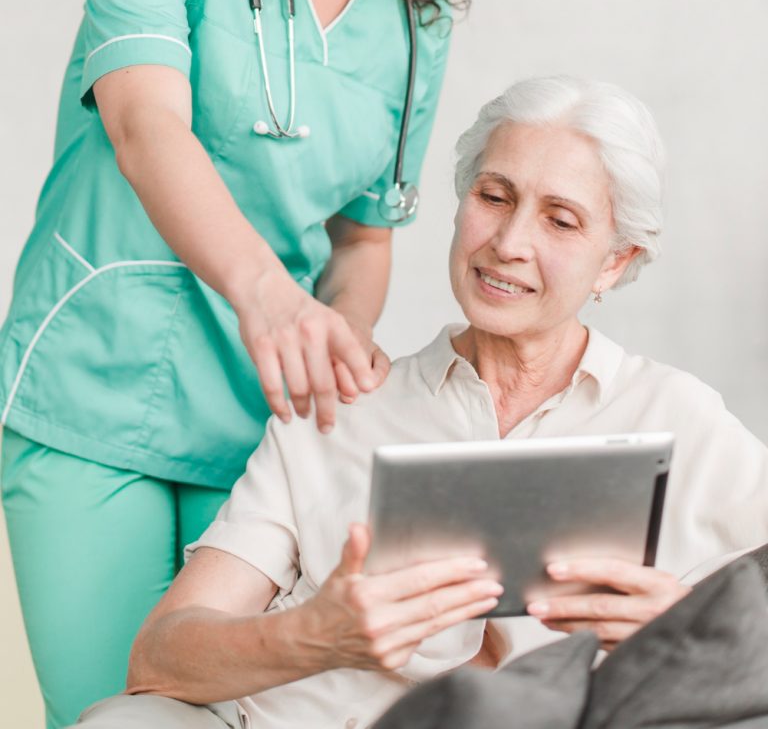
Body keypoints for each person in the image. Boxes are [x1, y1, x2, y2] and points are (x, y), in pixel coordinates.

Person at [0, 0, 523, 728]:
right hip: (99, 383)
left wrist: (335, 351)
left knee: (265, 709)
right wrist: (268, 297)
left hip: (262, 413)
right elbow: (146, 126)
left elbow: (365, 236)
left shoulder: (417, 19)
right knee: (126, 705)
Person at [70, 75, 768, 729]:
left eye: (560, 220)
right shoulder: (341, 409)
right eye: (494, 196)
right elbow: (158, 657)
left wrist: (690, 629)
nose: (509, 242)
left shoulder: (678, 418)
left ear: (615, 260)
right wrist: (317, 634)